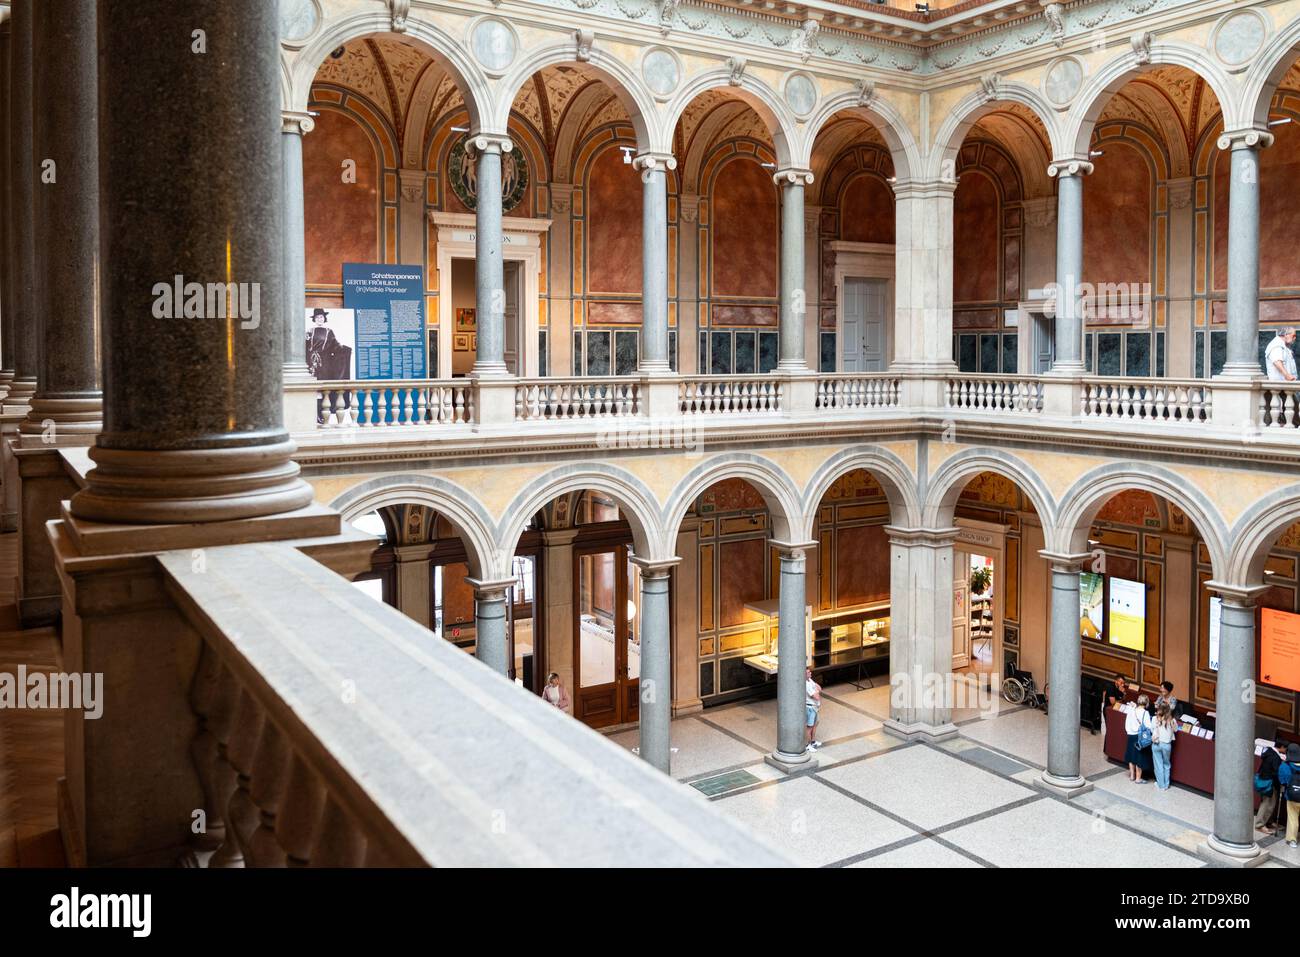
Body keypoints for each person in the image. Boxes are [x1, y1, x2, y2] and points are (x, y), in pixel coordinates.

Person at [1255, 741, 1287, 836]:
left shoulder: (1269, 752)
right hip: (1270, 783)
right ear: (1281, 747)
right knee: (1268, 804)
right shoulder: (1275, 757)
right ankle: (1260, 825)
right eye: (1285, 748)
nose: (1285, 751)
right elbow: (1275, 772)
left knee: (1268, 803)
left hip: (1265, 781)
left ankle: (1268, 821)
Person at [1124, 693, 1154, 783]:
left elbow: (1127, 723)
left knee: (1131, 755)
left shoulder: (1131, 710)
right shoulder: (1145, 712)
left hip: (1130, 735)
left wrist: (1129, 731)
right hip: (1139, 737)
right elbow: (1148, 726)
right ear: (1147, 703)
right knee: (1139, 757)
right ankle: (1138, 778)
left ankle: (1132, 776)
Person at [1150, 701, 1177, 790]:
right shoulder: (1172, 720)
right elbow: (1176, 730)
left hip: (1157, 743)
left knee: (1158, 764)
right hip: (1167, 745)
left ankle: (1161, 785)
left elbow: (1151, 729)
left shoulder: (1155, 718)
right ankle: (1166, 784)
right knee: (1166, 764)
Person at [1282, 742, 1300, 848]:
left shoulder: (1285, 765)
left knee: (1293, 817)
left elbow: (1283, 780)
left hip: (1292, 796)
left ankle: (1292, 840)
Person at [1101, 674, 1128, 741]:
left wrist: (1124, 692)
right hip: (1109, 710)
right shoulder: (1110, 687)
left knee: (1115, 729)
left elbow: (1124, 699)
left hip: (1116, 710)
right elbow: (1112, 702)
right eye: (1121, 682)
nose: (1122, 685)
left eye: (1123, 683)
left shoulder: (1120, 689)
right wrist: (1120, 701)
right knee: (1110, 729)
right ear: (1116, 681)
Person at [805, 666, 823, 752]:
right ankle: (808, 745)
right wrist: (816, 691)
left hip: (815, 708)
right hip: (810, 708)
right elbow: (816, 697)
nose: (810, 673)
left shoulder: (810, 680)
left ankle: (813, 741)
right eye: (808, 673)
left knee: (815, 724)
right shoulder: (806, 684)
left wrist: (816, 690)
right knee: (809, 727)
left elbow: (819, 688)